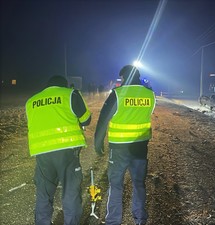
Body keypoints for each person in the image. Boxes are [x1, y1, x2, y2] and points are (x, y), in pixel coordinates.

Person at [94, 65, 156, 225]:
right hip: (140, 149)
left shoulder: (117, 94)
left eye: (121, 78)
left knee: (115, 186)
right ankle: (140, 220)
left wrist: (98, 141)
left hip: (119, 149)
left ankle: (113, 221)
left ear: (124, 77)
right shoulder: (150, 95)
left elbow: (103, 118)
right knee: (139, 185)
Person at [26, 75, 91, 225]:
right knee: (70, 193)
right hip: (67, 151)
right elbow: (86, 119)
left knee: (44, 195)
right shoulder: (70, 94)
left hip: (42, 153)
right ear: (64, 85)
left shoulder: (32, 101)